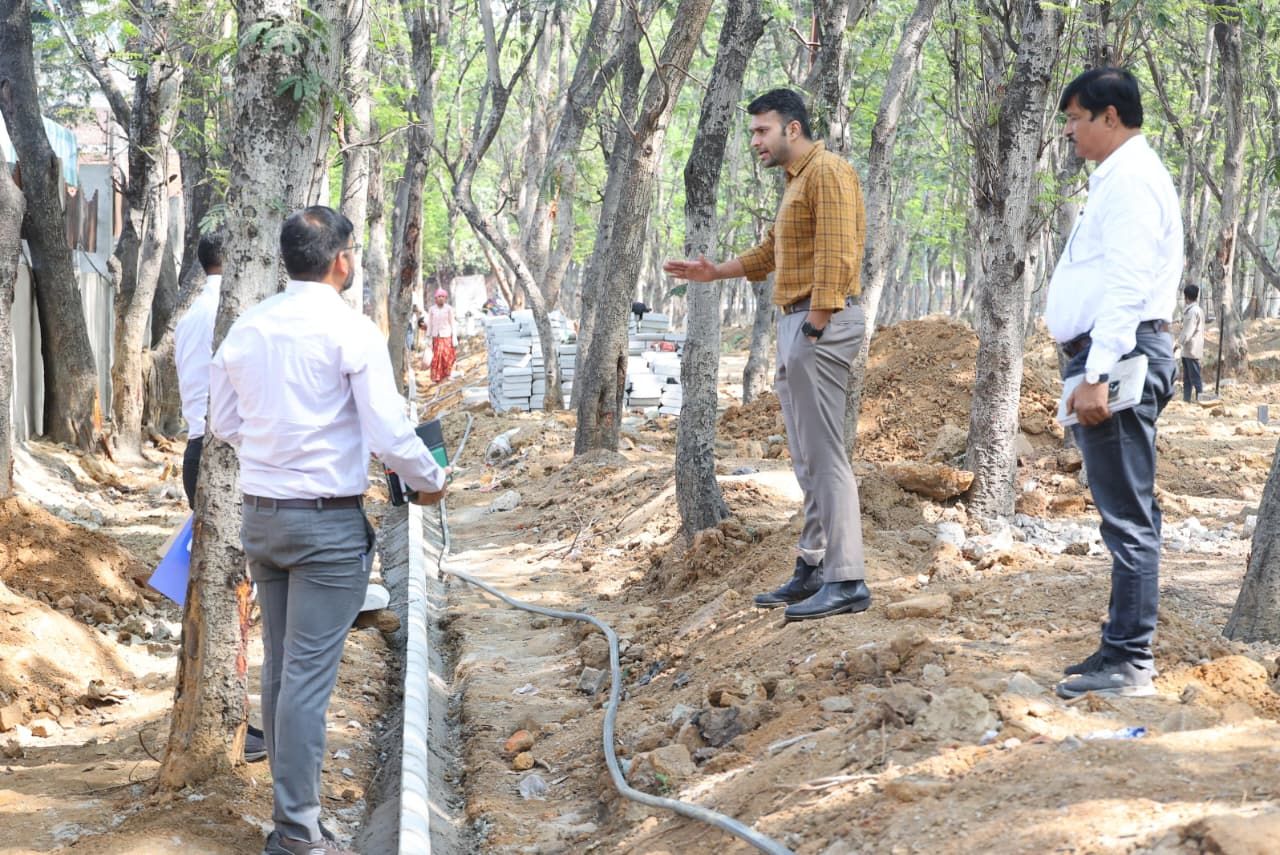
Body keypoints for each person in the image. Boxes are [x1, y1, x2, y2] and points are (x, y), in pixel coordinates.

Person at [209, 206, 447, 855]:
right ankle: (296, 833)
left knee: (283, 670)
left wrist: (278, 448)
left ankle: (295, 822)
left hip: (263, 516)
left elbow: (223, 422)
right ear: (342, 260)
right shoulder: (351, 330)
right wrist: (431, 478)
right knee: (306, 681)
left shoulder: (248, 328)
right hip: (325, 526)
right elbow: (389, 433)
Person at [663, 88, 871, 623]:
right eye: (753, 131)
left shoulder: (827, 172)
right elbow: (771, 253)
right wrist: (715, 272)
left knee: (825, 457)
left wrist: (816, 327)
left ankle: (847, 579)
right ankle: (815, 566)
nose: (755, 140)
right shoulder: (797, 180)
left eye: (762, 131)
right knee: (806, 458)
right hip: (799, 321)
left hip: (819, 322)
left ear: (792, 129)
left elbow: (837, 254)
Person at [1046, 68, 1181, 699]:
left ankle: (1130, 662)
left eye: (1075, 118)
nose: (1069, 131)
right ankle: (1118, 646)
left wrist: (1097, 372)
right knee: (1127, 509)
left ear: (1109, 116)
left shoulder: (1131, 180)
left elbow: (1128, 285)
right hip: (1110, 352)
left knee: (1128, 517)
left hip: (1120, 355)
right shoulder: (1117, 177)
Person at [173, 234, 268, 764]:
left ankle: (220, 715)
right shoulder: (238, 315)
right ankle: (232, 722)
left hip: (196, 448)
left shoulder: (191, 316)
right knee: (235, 591)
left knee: (220, 588)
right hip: (226, 454)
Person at [1175, 284, 1205, 402]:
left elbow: (1188, 331)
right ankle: (1186, 399)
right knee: (1187, 378)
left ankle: (1200, 399)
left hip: (1191, 349)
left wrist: (1179, 343)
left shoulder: (1192, 312)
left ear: (1186, 297)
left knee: (1194, 377)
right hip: (1191, 349)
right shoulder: (1197, 310)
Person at [426, 287, 458, 383]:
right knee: (436, 357)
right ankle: (437, 377)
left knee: (447, 356)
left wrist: (454, 337)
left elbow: (452, 323)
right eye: (439, 297)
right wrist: (428, 337)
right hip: (436, 336)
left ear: (445, 298)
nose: (440, 298)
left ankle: (448, 375)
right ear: (435, 298)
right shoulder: (432, 309)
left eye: (442, 297)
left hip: (447, 336)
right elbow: (430, 323)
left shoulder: (449, 309)